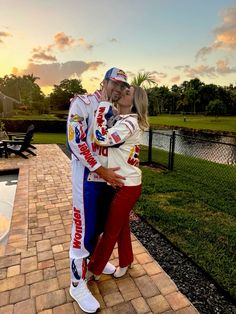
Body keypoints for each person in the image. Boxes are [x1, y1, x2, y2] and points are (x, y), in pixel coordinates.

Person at [66, 67, 129, 313]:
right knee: (82, 230)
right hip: (87, 179)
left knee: (100, 226)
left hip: (107, 180)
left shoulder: (116, 111)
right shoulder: (82, 103)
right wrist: (101, 171)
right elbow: (76, 140)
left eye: (122, 86)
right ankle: (76, 283)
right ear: (104, 82)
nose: (117, 89)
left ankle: (94, 264)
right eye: (114, 83)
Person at [88, 85, 149, 279]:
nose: (123, 92)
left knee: (111, 230)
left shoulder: (129, 123)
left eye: (128, 92)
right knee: (121, 226)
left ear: (134, 102)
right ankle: (126, 260)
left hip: (127, 185)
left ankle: (94, 270)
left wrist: (104, 104)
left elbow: (101, 138)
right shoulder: (122, 119)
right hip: (121, 182)